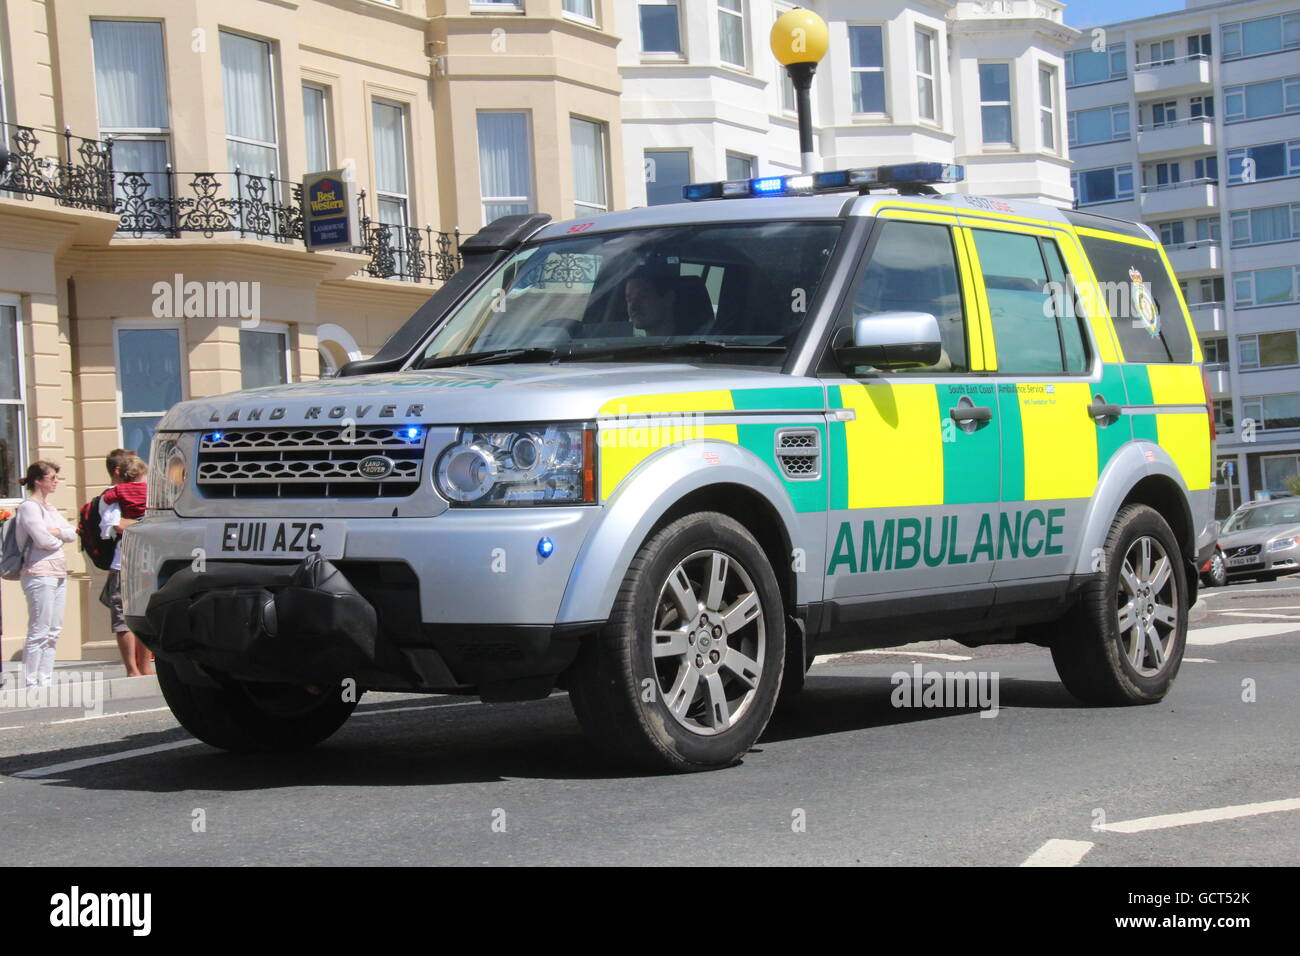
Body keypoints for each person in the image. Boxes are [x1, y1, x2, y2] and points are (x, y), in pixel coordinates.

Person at [14, 460, 77, 688]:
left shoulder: (49, 508)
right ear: (38, 481)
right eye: (52, 478)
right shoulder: (28, 507)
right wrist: (56, 536)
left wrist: (56, 532)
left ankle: (45, 678)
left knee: (54, 629)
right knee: (39, 628)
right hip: (38, 572)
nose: (56, 482)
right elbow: (42, 540)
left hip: (58, 571)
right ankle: (31, 681)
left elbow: (72, 533)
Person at [98, 451, 152, 676]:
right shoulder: (150, 493)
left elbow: (114, 526)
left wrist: (134, 523)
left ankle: (140, 667)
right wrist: (144, 523)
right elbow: (115, 525)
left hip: (136, 561)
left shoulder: (114, 494)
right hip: (135, 560)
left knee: (135, 616)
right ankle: (137, 668)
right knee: (133, 616)